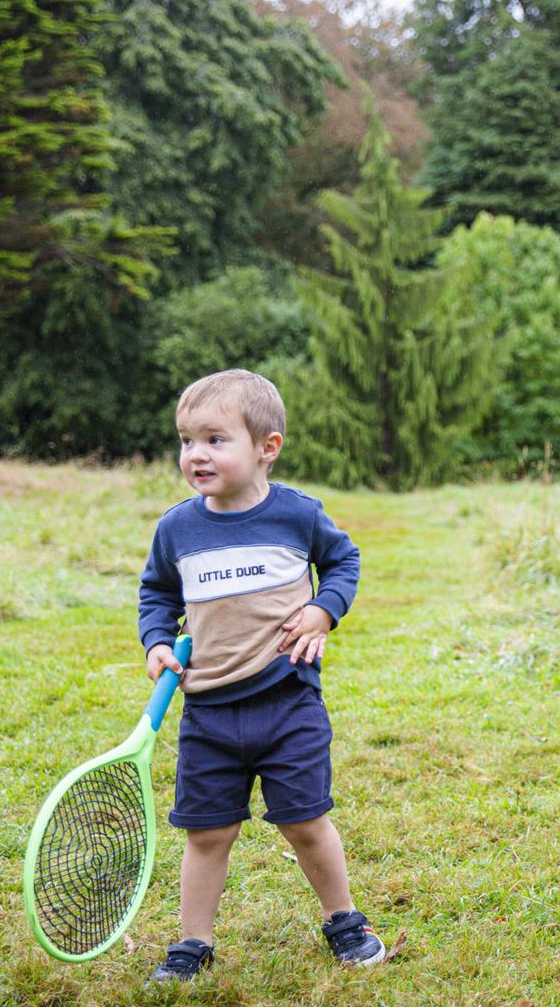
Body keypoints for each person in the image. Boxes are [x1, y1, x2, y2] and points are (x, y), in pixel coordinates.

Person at [137, 369, 384, 982]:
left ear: (266, 447)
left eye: (215, 439)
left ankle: (345, 920)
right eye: (187, 440)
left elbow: (344, 560)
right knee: (207, 833)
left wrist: (323, 610)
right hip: (208, 711)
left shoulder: (297, 516)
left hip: (287, 699)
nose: (196, 454)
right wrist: (157, 643)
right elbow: (157, 594)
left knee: (304, 820)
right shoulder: (178, 528)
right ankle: (193, 943)